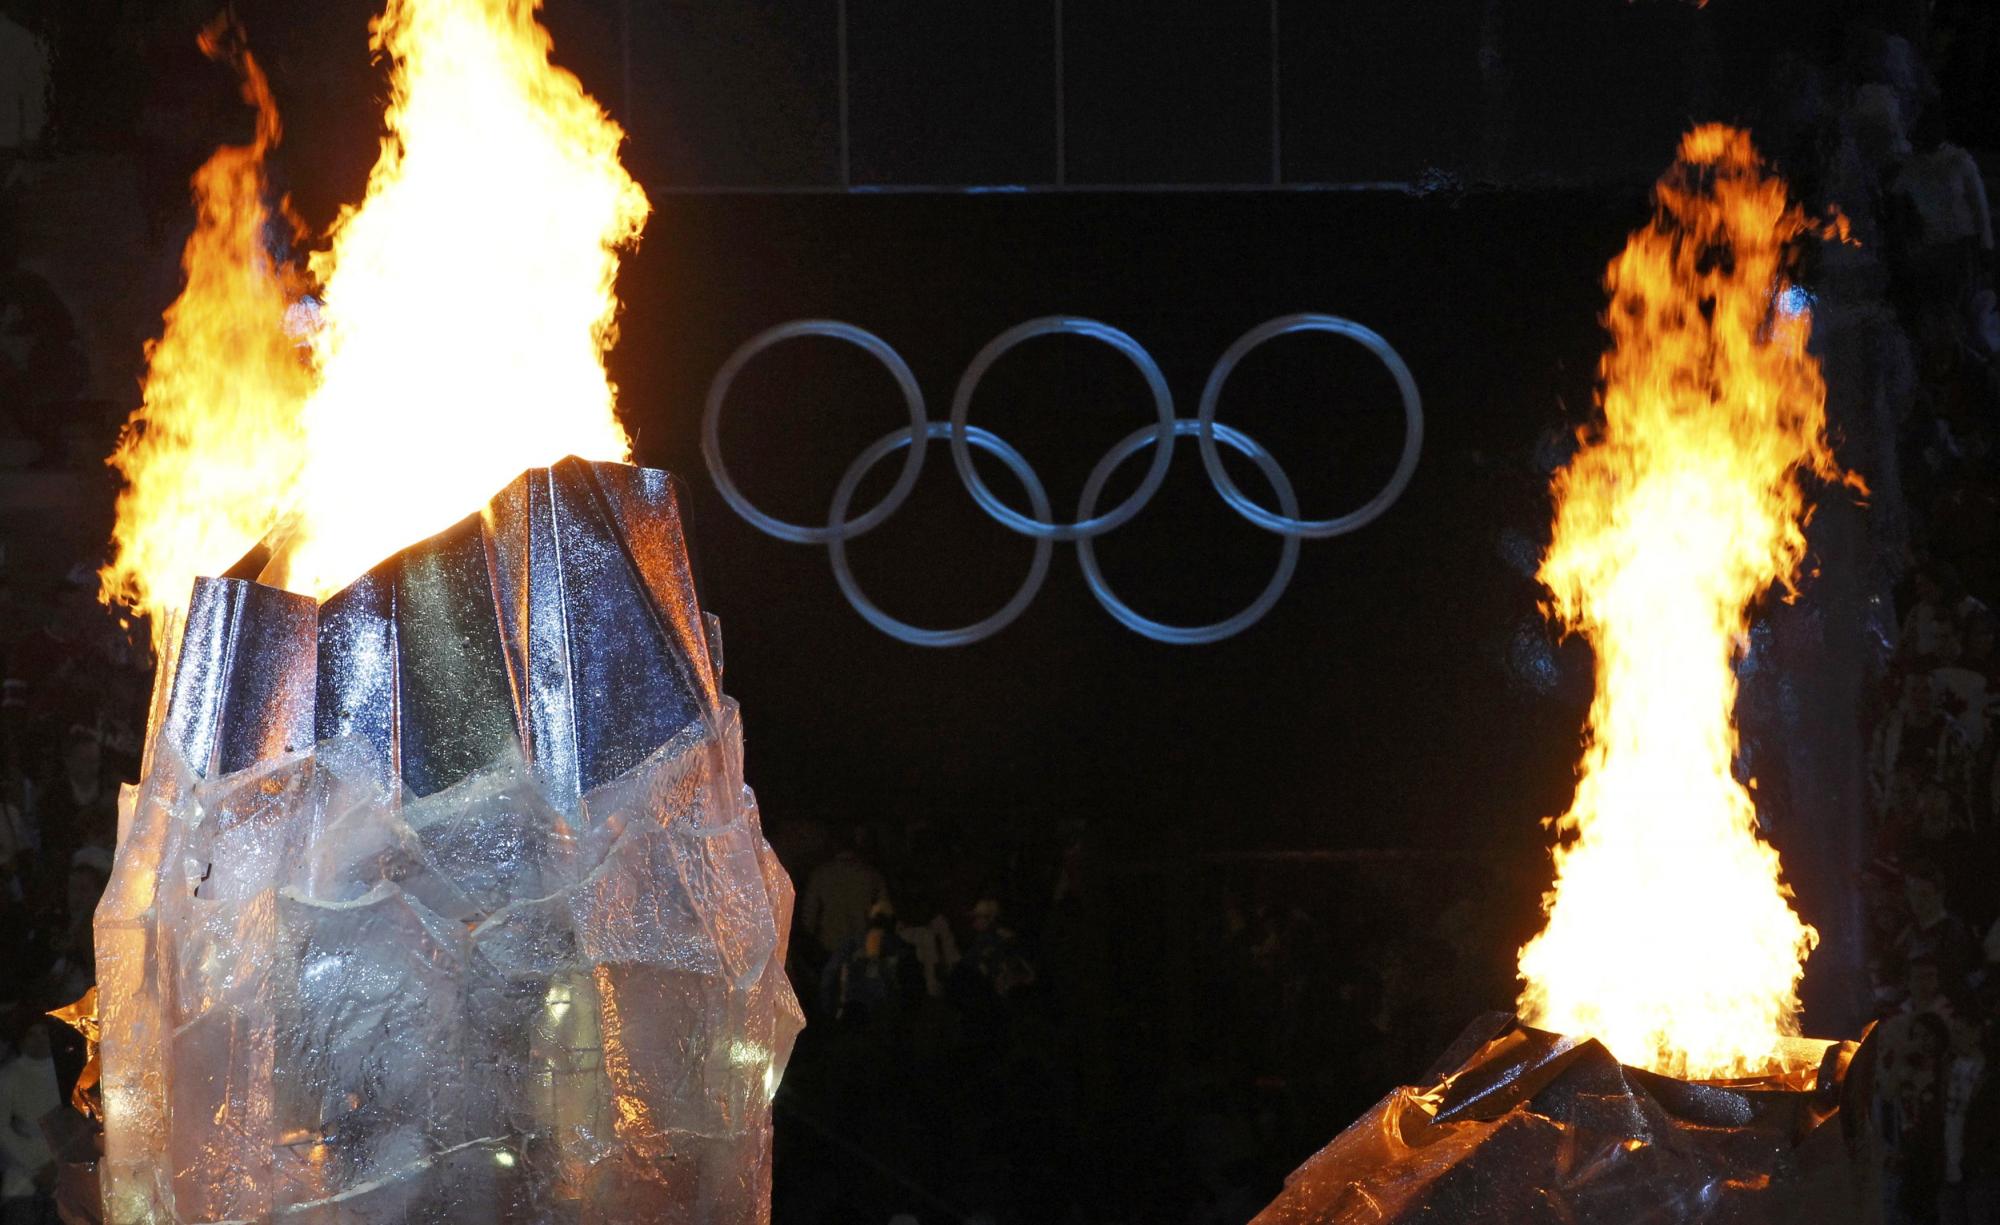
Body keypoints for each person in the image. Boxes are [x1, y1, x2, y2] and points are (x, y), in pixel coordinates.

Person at [0, 1009, 57, 1225]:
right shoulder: (8, 1076)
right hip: (21, 1182)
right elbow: (2, 1130)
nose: (39, 1040)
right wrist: (37, 1165)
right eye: (32, 1034)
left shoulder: (65, 1072)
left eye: (44, 1033)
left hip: (62, 1180)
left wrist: (56, 1166)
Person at [799, 825, 889, 963]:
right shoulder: (871, 875)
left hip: (829, 949)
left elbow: (808, 918)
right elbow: (883, 916)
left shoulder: (820, 875)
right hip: (862, 948)